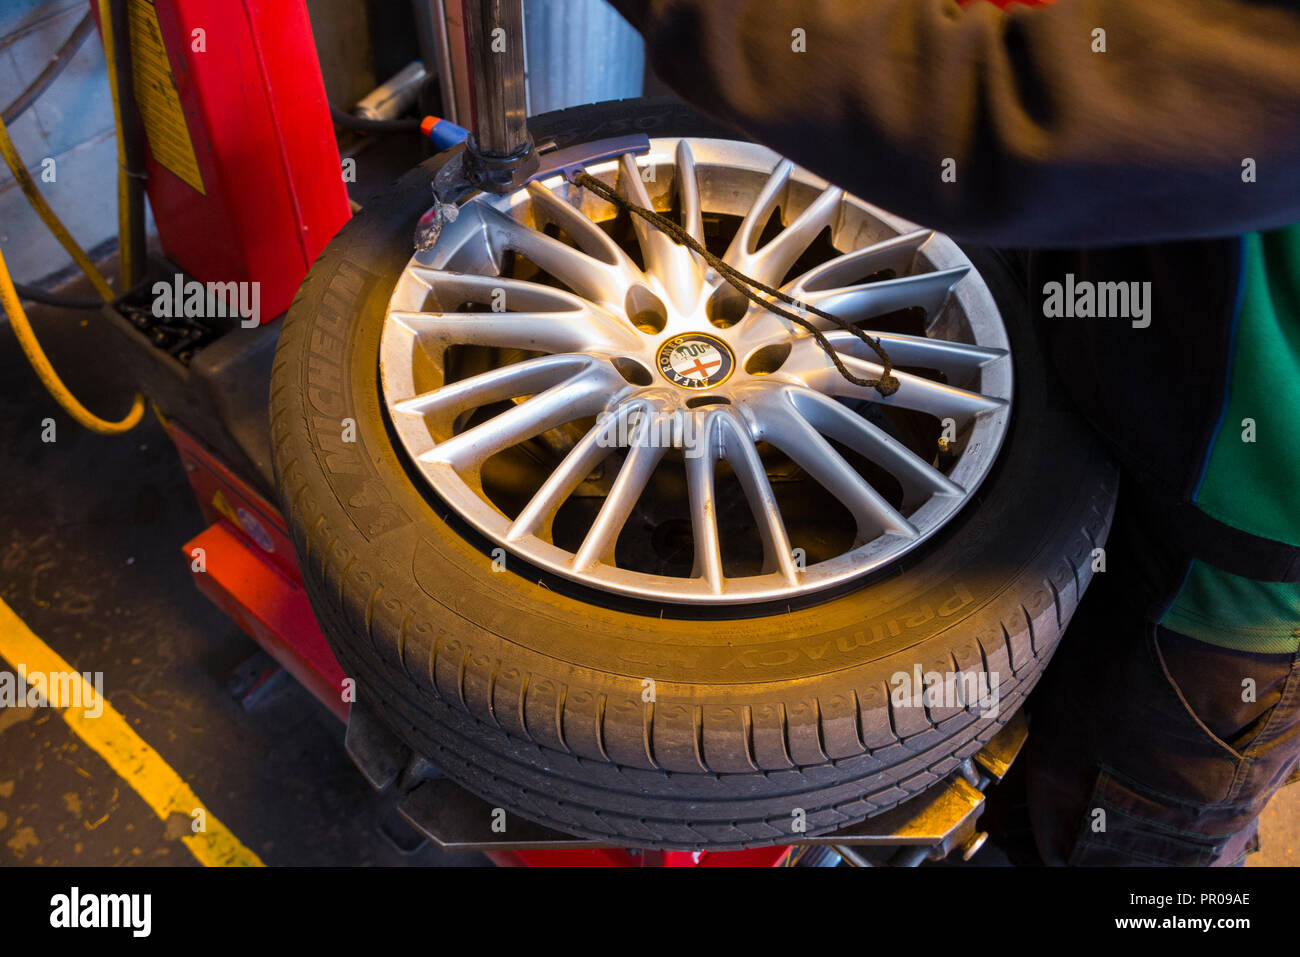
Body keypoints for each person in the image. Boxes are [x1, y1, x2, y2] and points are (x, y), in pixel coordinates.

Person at [608, 0, 1300, 865]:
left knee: (1116, 844)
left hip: (1222, 592)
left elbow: (988, 109)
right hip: (1138, 389)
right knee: (1022, 761)